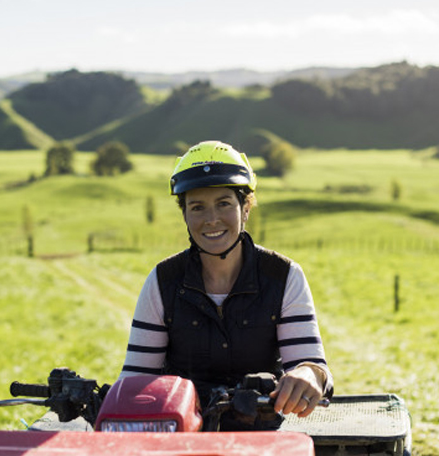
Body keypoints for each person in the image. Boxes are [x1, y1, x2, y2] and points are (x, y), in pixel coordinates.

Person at [119, 140, 333, 422]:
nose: (212, 219)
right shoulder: (162, 281)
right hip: (180, 432)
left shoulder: (284, 276)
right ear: (184, 214)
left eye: (224, 204)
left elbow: (313, 368)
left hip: (266, 431)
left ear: (246, 207)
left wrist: (307, 375)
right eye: (197, 207)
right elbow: (136, 380)